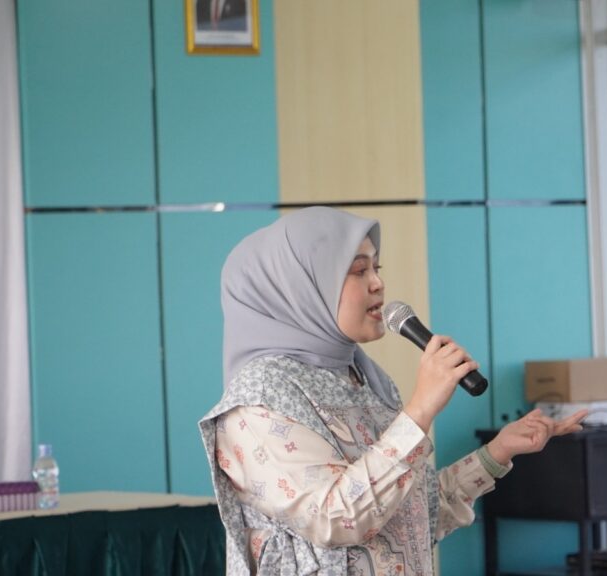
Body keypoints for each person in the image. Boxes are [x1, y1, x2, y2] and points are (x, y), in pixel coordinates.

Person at [199, 207, 586, 575]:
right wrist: (420, 411)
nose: (378, 283)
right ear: (299, 288)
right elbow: (338, 520)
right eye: (358, 270)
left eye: (377, 267)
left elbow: (413, 517)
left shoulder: (367, 380)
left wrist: (498, 452)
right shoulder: (258, 398)